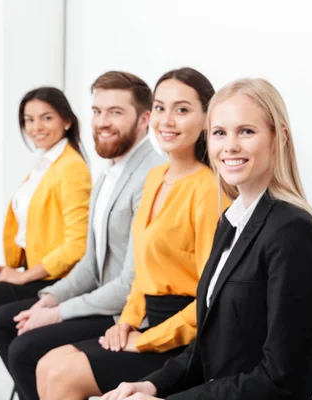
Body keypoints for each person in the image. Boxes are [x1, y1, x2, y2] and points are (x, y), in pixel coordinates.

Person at [102, 78, 312, 400]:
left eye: (246, 131)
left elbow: (282, 378)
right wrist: (152, 385)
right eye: (220, 133)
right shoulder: (231, 222)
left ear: (279, 138)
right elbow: (209, 344)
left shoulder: (291, 231)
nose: (230, 146)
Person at [35, 67, 232, 400]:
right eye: (160, 108)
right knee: (48, 364)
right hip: (146, 322)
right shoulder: (155, 177)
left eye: (182, 110)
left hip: (185, 341)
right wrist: (126, 321)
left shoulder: (209, 191)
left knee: (63, 376)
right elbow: (143, 271)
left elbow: (209, 298)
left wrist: (147, 338)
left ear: (206, 119)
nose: (167, 120)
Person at [0, 71, 164, 400]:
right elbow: (89, 263)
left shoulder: (152, 176)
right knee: (5, 323)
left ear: (145, 119)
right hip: (102, 298)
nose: (102, 122)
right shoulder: (109, 171)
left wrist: (56, 313)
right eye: (97, 111)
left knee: (24, 348)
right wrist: (48, 299)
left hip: (128, 313)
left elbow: (129, 284)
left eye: (115, 112)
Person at [0, 87, 91, 369]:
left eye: (46, 118)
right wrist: (10, 268)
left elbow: (76, 246)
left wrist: (24, 275)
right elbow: (32, 227)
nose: (36, 127)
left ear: (66, 121)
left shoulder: (71, 168)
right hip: (30, 273)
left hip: (51, 283)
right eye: (29, 120)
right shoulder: (45, 164)